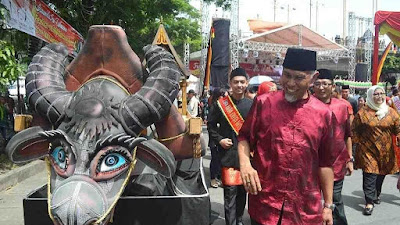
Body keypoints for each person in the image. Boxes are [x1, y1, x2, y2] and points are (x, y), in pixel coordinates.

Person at [238, 48, 336, 225]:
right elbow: (244, 137)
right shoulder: (264, 103)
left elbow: (326, 164)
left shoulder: (324, 114)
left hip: (304, 209)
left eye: (299, 78)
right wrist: (245, 165)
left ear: (313, 78)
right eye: (287, 75)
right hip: (265, 203)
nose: (290, 83)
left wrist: (328, 205)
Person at [207, 68, 253, 225]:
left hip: (247, 157)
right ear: (230, 84)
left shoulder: (252, 105)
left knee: (242, 192)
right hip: (228, 156)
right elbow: (211, 125)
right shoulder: (221, 105)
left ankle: (239, 219)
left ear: (246, 83)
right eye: (236, 82)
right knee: (230, 193)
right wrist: (219, 140)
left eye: (242, 82)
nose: (239, 85)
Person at [352, 85, 400, 216]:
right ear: (370, 96)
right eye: (376, 94)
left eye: (381, 94)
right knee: (369, 174)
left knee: (381, 174)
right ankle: (369, 202)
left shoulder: (391, 112)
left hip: (386, 150)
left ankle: (376, 193)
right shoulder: (363, 113)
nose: (379, 96)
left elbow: (398, 129)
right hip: (368, 150)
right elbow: (354, 129)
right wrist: (356, 145)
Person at [313, 69, 353, 225]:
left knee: (335, 201)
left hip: (336, 163)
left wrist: (350, 158)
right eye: (317, 84)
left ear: (333, 86)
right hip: (312, 165)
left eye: (325, 84)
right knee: (313, 202)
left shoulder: (341, 107)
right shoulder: (306, 106)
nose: (321, 87)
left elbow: (347, 134)